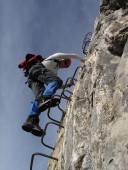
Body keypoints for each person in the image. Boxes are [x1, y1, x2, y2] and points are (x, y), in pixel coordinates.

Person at [18, 53, 86, 137]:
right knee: (56, 81)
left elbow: (56, 86)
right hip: (36, 69)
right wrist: (81, 59)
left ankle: (31, 122)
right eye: (65, 63)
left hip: (32, 79)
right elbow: (70, 55)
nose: (64, 66)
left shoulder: (54, 72)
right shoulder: (54, 58)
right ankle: (46, 98)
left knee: (39, 98)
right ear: (62, 59)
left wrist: (68, 85)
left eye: (66, 66)